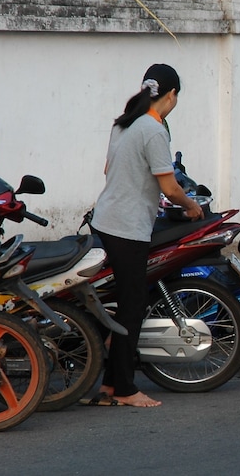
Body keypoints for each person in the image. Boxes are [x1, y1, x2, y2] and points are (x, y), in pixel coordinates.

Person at [87, 64, 203, 407]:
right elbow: (168, 184)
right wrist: (191, 205)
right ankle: (125, 389)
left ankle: (110, 386)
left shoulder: (123, 124)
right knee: (132, 308)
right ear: (172, 95)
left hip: (105, 221)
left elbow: (110, 169)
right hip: (128, 228)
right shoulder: (154, 129)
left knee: (126, 304)